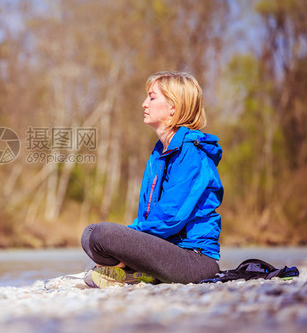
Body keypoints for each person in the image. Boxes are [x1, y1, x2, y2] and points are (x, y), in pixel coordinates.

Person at [81, 71, 223, 287]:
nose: (144, 104)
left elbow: (171, 217)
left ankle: (131, 271)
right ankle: (136, 272)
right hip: (166, 249)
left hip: (194, 260)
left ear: (173, 106)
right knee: (90, 235)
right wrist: (128, 244)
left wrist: (126, 241)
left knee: (103, 235)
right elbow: (149, 216)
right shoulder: (158, 155)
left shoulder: (192, 154)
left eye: (152, 97)